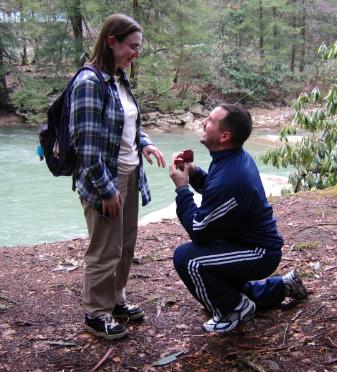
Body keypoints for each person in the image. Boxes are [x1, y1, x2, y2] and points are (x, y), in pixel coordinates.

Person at [169, 104, 307, 333]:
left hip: (258, 252)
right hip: (246, 244)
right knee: (219, 284)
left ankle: (233, 309)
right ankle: (281, 287)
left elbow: (199, 231)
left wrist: (182, 189)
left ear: (224, 136)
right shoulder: (230, 157)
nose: (204, 122)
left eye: (210, 120)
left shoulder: (231, 175)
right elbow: (214, 192)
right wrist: (193, 173)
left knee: (187, 258)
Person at [69, 14, 166, 340]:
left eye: (138, 47)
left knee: (125, 245)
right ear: (112, 42)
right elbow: (87, 148)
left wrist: (146, 143)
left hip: (130, 173)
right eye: (132, 46)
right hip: (104, 181)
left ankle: (116, 300)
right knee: (105, 248)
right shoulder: (88, 83)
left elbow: (128, 124)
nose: (135, 53)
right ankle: (96, 314)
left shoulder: (119, 79)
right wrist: (107, 191)